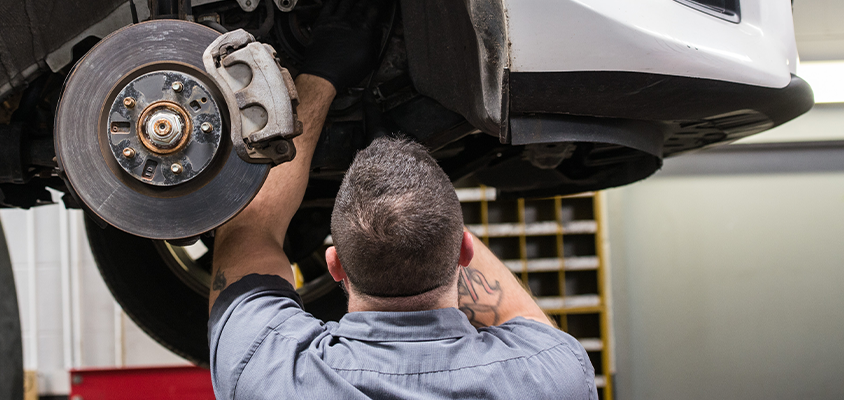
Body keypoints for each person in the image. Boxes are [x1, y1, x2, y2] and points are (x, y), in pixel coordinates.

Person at [207, 0, 597, 398]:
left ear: (335, 265)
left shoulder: (266, 371)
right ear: (463, 250)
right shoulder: (551, 378)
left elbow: (250, 228)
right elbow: (524, 322)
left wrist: (323, 73)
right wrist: (405, 174)